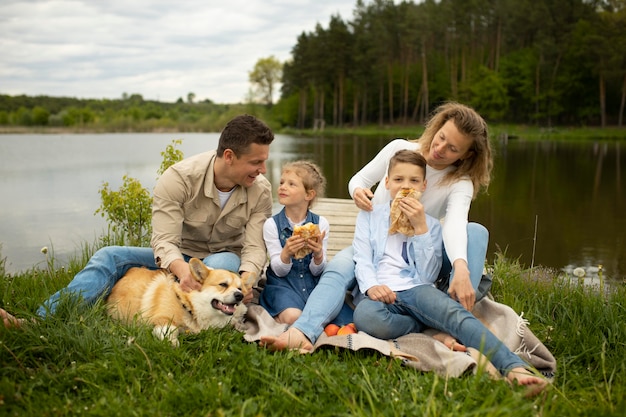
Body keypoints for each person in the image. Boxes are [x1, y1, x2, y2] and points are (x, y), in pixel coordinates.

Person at [1, 114, 274, 326]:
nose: (262, 170)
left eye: (264, 162)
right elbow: (164, 241)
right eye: (256, 162)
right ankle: (40, 320)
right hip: (179, 257)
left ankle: (182, 319)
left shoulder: (260, 189)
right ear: (229, 156)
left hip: (222, 264)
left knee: (225, 262)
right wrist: (181, 271)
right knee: (109, 255)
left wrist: (243, 283)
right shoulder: (178, 178)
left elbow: (253, 246)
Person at [261, 101, 492, 352]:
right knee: (338, 268)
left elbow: (456, 224)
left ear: (466, 155)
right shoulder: (400, 149)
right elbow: (359, 179)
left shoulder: (460, 182)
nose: (439, 149)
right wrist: (358, 191)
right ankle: (304, 330)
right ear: (436, 128)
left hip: (420, 255)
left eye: (452, 148)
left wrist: (460, 267)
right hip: (375, 246)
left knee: (476, 232)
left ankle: (454, 309)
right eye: (441, 137)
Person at [352, 149, 546, 391]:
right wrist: (371, 286)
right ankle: (424, 327)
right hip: (381, 291)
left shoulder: (431, 225)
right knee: (365, 317)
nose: (405, 186)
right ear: (387, 182)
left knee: (456, 315)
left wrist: (420, 228)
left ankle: (513, 367)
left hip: (416, 288)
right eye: (399, 180)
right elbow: (361, 256)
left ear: (423, 186)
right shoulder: (369, 215)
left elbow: (428, 275)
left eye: (413, 181)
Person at [259, 161, 353, 329]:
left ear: (309, 195)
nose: (282, 187)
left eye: (291, 184)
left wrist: (318, 255)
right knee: (294, 316)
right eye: (281, 183)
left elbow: (317, 270)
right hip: (283, 285)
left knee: (347, 322)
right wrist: (286, 253)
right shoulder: (272, 225)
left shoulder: (320, 224)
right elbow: (279, 271)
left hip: (312, 283)